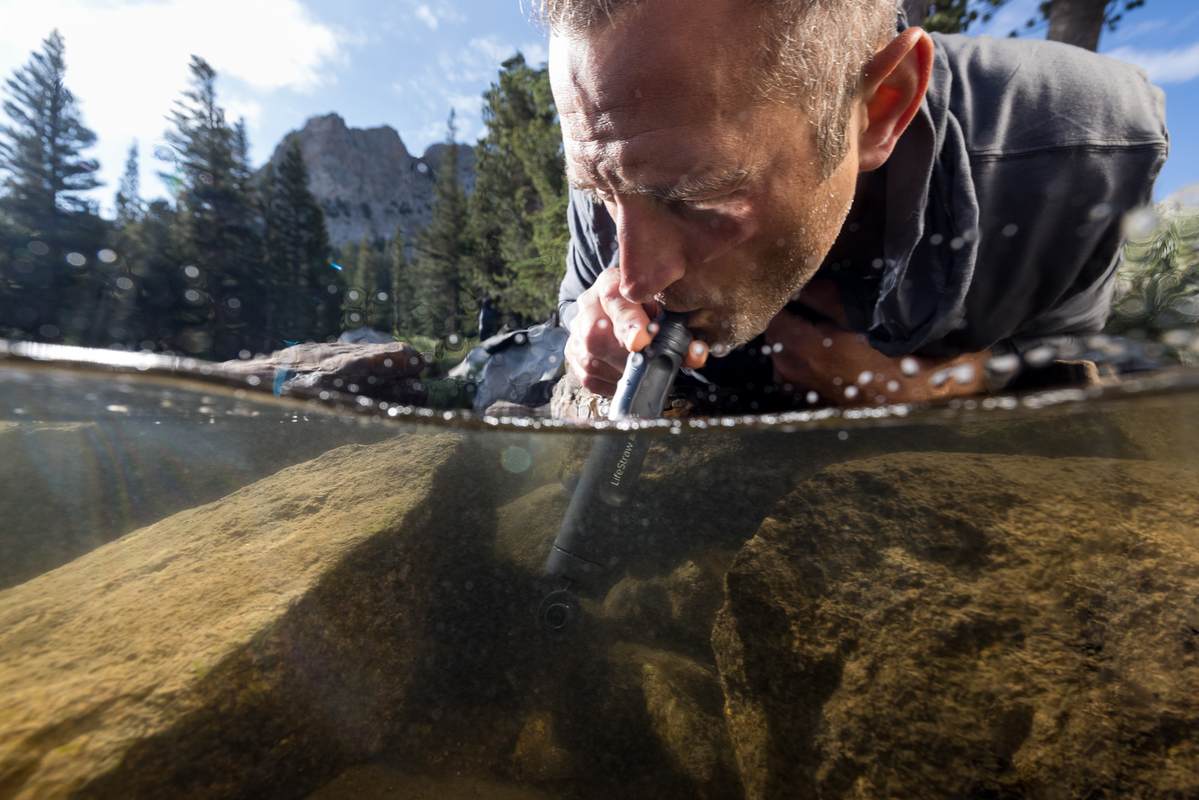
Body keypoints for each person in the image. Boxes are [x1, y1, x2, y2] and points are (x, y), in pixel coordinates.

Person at [547, 0, 1169, 409]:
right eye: (601, 189)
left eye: (697, 194)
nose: (636, 276)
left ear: (882, 105)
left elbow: (1071, 358)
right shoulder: (618, 148)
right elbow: (576, 310)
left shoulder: (1075, 157)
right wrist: (587, 341)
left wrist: (955, 384)